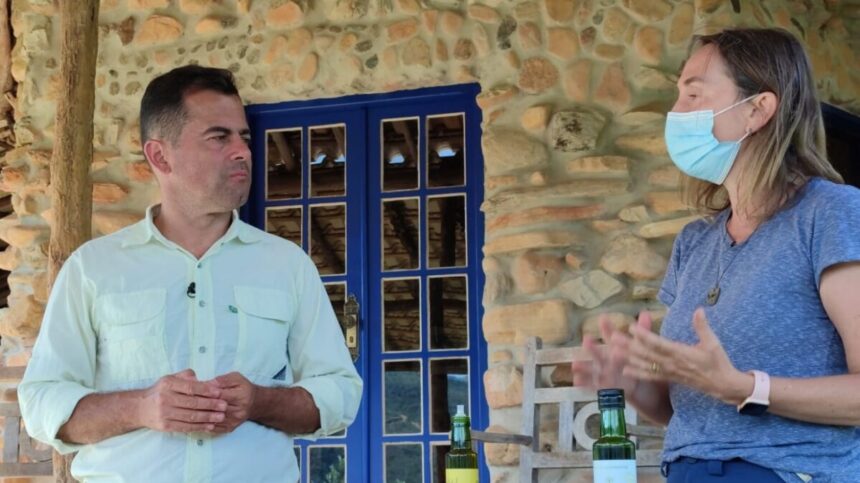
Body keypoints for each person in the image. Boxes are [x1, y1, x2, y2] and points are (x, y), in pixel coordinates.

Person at [18, 65, 362, 482]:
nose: (243, 151)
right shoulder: (93, 269)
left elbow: (340, 394)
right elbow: (41, 404)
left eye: (245, 137)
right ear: (160, 155)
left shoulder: (287, 265)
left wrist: (258, 402)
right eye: (219, 137)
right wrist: (141, 407)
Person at [572, 28, 860, 483]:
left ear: (758, 108)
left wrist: (749, 388)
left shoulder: (833, 214)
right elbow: (684, 407)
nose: (675, 112)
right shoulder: (695, 241)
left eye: (693, 94)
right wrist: (631, 384)